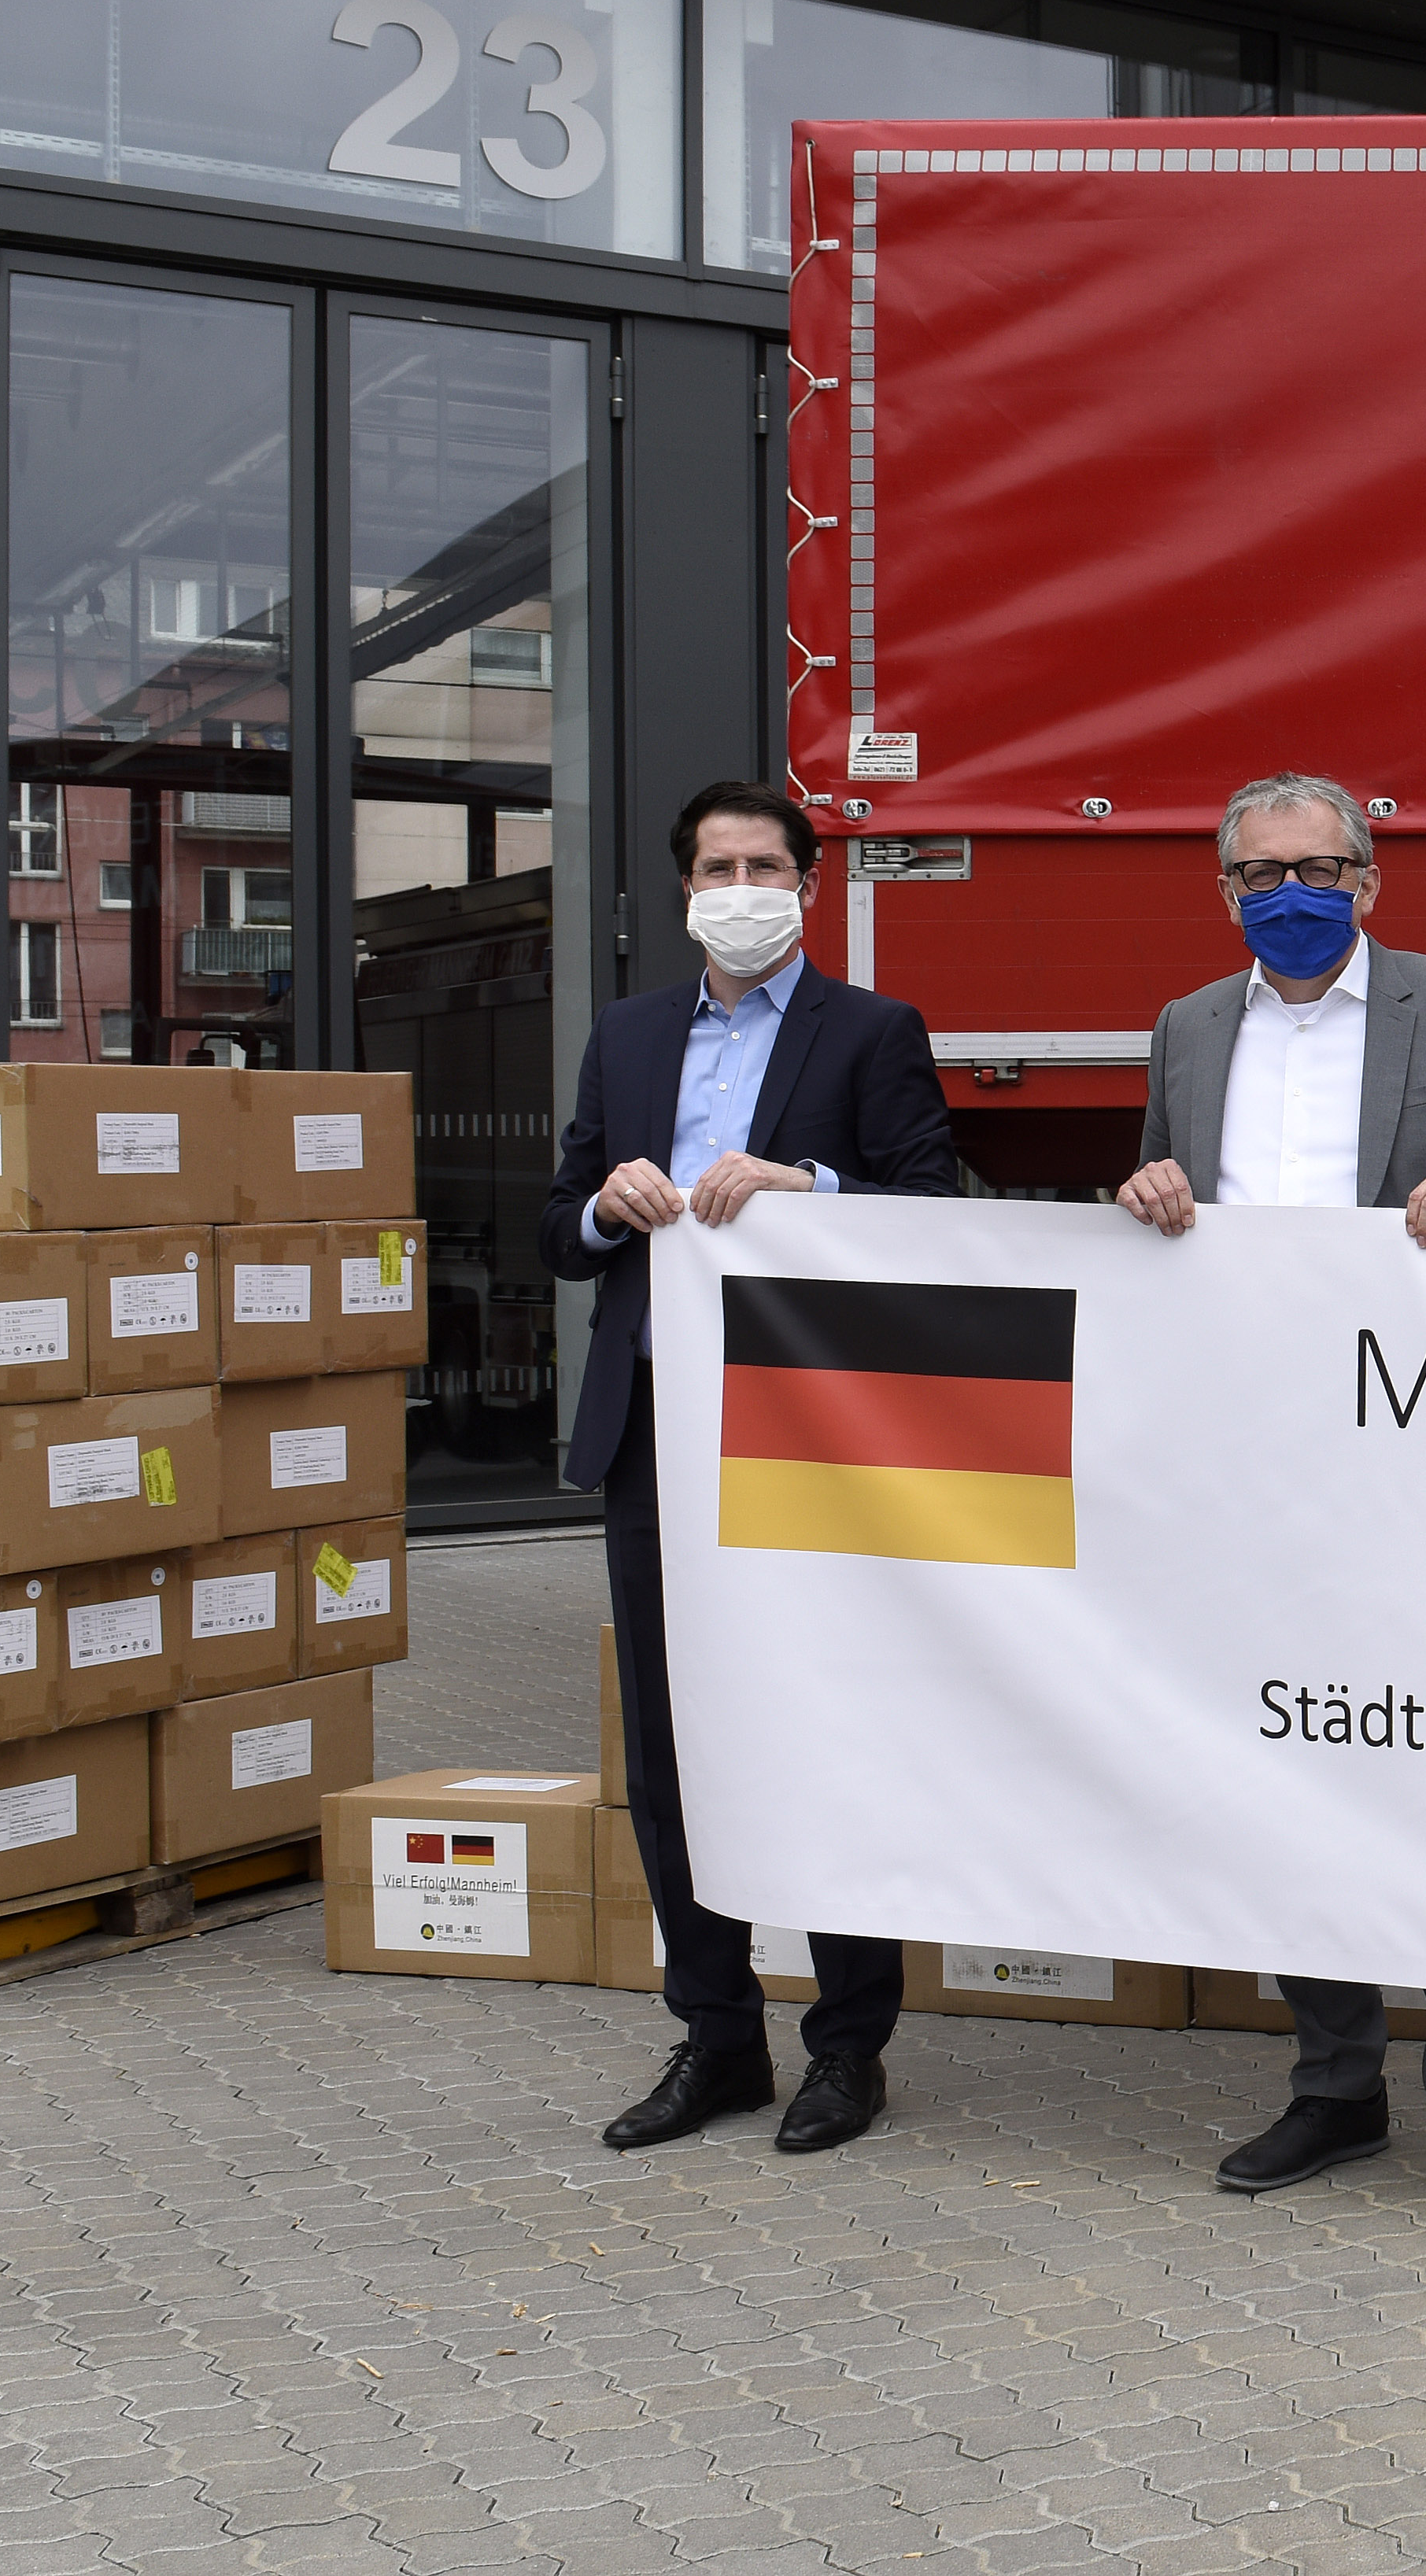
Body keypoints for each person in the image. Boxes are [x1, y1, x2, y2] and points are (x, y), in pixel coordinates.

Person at [1118, 769, 1426, 2223]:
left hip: (1425, 1456)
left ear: (1368, 881)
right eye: (1259, 875)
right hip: (1256, 1459)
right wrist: (1143, 1198)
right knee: (1292, 1764)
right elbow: (1158, 1210)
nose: (1289, 895)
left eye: (1315, 870)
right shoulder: (1188, 1027)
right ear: (1225, 893)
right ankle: (1333, 2084)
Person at [548, 780, 956, 2157]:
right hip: (655, 1433)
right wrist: (605, 1210)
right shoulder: (628, 1035)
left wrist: (811, 1191)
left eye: (764, 867)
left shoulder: (873, 1031)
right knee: (671, 1746)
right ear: (685, 892)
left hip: (806, 1442)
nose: (740, 889)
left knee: (825, 1725)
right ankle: (716, 2037)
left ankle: (848, 2047)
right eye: (716, 867)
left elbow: (939, 1207)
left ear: (807, 887)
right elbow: (558, 1222)